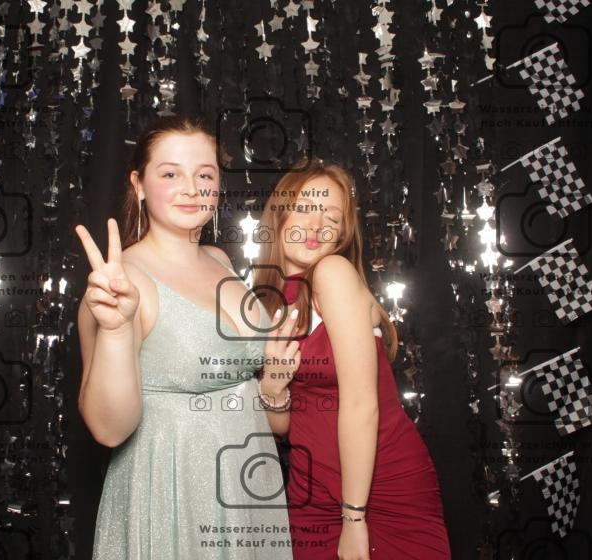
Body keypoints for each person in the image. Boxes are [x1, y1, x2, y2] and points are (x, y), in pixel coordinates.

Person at [74, 116, 292, 559]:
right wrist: (115, 330)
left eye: (204, 175)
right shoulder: (123, 284)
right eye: (171, 174)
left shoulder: (219, 259)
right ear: (138, 184)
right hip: (173, 495)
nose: (192, 189)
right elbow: (108, 429)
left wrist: (271, 388)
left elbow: (270, 417)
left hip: (250, 485)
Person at [253, 158, 451, 560]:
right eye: (306, 208)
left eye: (332, 217)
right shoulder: (265, 304)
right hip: (311, 491)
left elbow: (362, 403)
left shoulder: (333, 273)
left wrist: (355, 517)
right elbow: (284, 429)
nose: (316, 225)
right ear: (280, 212)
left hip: (378, 488)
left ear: (342, 233)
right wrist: (271, 387)